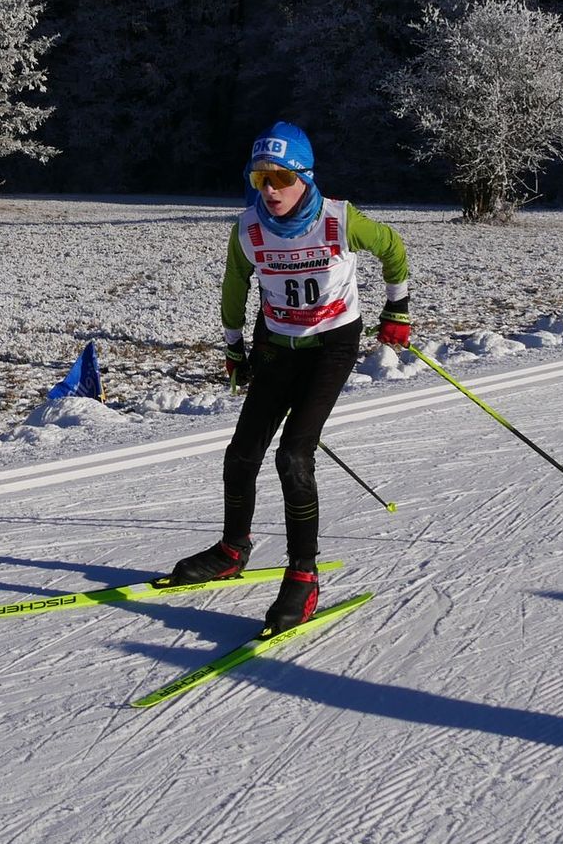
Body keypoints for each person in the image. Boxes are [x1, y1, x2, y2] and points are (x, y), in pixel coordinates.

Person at [168, 121, 410, 633]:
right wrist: (233, 346)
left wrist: (398, 311)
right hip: (277, 342)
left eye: (280, 177)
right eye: (260, 179)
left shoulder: (339, 219)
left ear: (304, 175)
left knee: (294, 454)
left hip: (331, 343)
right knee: (242, 451)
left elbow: (393, 249)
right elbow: (236, 282)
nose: (271, 189)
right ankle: (233, 548)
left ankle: (303, 575)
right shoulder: (248, 228)